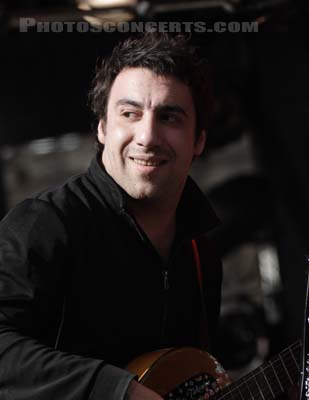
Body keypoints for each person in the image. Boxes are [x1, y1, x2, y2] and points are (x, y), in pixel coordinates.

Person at [0, 33, 222, 399]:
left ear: (198, 139)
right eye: (130, 114)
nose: (147, 136)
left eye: (169, 117)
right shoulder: (45, 224)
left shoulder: (201, 257)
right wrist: (119, 391)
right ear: (103, 128)